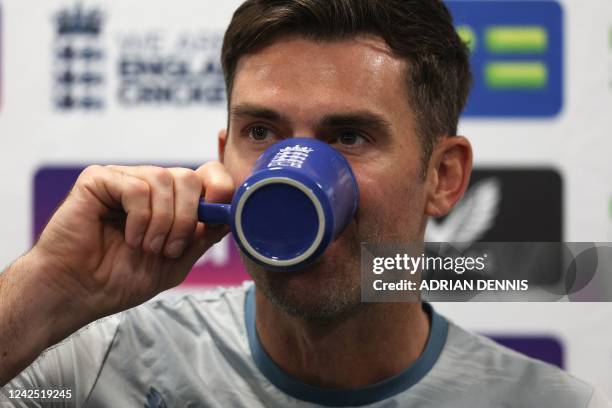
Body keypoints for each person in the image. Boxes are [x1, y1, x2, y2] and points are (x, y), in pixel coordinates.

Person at [0, 0, 610, 406]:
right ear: (225, 153)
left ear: (443, 176)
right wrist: (48, 289)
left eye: (349, 137)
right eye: (260, 133)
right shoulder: (95, 366)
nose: (288, 177)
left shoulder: (545, 402)